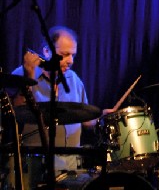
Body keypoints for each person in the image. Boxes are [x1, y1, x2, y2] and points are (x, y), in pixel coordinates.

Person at [11, 25, 114, 175]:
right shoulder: (23, 73)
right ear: (46, 51)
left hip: (71, 166)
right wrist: (29, 78)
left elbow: (86, 121)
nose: (70, 60)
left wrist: (103, 115)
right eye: (65, 54)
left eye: (73, 55)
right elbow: (14, 113)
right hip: (35, 166)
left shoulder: (74, 80)